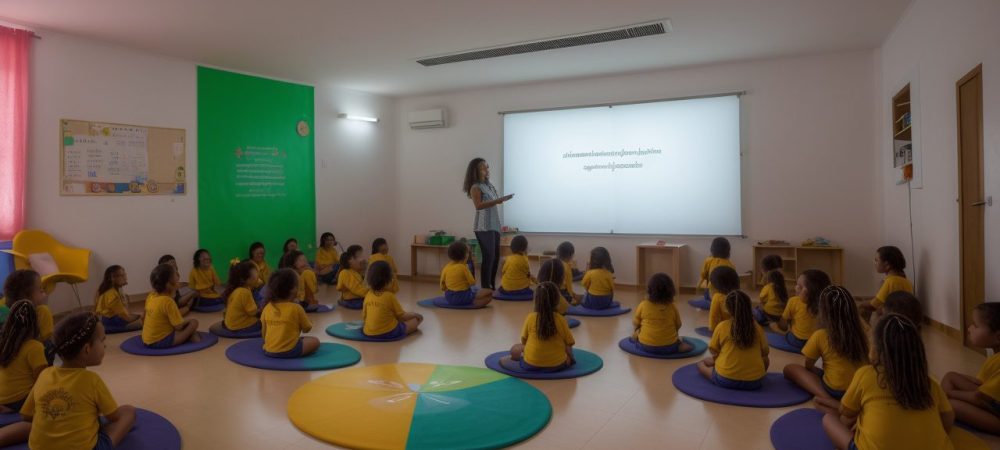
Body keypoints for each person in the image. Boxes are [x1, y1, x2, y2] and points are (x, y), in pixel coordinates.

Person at [822, 314, 954, 450]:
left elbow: (846, 411)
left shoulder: (866, 375)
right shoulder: (930, 383)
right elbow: (948, 418)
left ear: (875, 349)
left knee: (829, 419)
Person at [23, 312, 138, 450]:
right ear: (87, 349)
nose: (105, 346)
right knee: (128, 411)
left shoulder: (44, 374)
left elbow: (26, 416)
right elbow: (113, 416)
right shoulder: (92, 380)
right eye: (102, 341)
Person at [783, 286, 869, 413]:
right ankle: (847, 404)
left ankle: (830, 400)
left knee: (790, 369)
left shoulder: (821, 335)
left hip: (837, 391)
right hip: (861, 388)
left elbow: (808, 366)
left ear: (823, 312)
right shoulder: (862, 332)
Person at [942, 302, 1000, 434]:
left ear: (998, 337)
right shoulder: (996, 357)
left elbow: (979, 398)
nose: (969, 328)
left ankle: (944, 410)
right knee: (950, 376)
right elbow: (981, 384)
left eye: (976, 325)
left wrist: (949, 393)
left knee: (950, 405)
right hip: (990, 401)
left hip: (997, 416)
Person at [698, 291, 769, 390]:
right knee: (765, 359)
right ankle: (755, 374)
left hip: (725, 380)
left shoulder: (722, 326)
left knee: (701, 364)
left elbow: (713, 350)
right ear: (749, 307)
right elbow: (765, 352)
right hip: (754, 382)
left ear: (728, 310)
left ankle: (716, 368)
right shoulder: (758, 328)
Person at [463, 157, 513, 289]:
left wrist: (500, 199)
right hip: (483, 226)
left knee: (495, 257)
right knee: (489, 257)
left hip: (494, 225)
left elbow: (493, 201)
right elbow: (478, 206)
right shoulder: (475, 187)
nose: (487, 170)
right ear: (476, 171)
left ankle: (492, 286)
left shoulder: (488, 185)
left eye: (487, 167)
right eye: (483, 168)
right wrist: (498, 200)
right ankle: (486, 287)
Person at [505, 282, 576, 371]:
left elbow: (524, 341)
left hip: (530, 365)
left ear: (536, 301)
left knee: (515, 349)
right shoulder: (561, 319)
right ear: (557, 300)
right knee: (566, 350)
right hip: (557, 365)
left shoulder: (531, 317)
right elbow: (569, 343)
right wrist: (570, 357)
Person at [260, 269, 319, 358]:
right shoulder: (296, 308)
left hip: (269, 350)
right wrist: (310, 322)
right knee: (315, 341)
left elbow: (264, 332)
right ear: (293, 289)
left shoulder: (267, 307)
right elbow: (307, 329)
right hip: (289, 350)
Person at [630, 273, 693, 354]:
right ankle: (678, 346)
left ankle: (637, 339)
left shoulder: (643, 305)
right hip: (669, 347)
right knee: (686, 347)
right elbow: (678, 325)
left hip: (645, 346)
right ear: (671, 291)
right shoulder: (672, 307)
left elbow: (635, 323)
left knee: (637, 332)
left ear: (649, 290)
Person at [142, 264, 201, 349]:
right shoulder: (168, 301)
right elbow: (179, 326)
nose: (178, 282)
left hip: (146, 339)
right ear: (169, 285)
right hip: (160, 341)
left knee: (183, 327)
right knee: (194, 322)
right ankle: (195, 341)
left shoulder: (151, 295)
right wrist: (188, 321)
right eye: (176, 279)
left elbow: (144, 318)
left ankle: (189, 336)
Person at [362, 261, 422, 338]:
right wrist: (414, 314)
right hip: (389, 332)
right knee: (415, 320)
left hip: (368, 332)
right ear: (388, 280)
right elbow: (402, 316)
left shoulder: (368, 294)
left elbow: (364, 316)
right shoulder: (389, 296)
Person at [440, 242, 493, 308]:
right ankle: (473, 303)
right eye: (467, 252)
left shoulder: (446, 267)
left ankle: (470, 300)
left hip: (449, 296)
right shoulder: (463, 268)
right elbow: (472, 283)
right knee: (489, 294)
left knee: (477, 291)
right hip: (463, 295)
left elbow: (442, 285)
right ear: (465, 255)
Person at [93, 266, 143, 332]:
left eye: (125, 274)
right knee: (143, 322)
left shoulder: (105, 289)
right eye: (122, 275)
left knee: (139, 315)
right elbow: (126, 317)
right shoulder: (112, 295)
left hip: (106, 319)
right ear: (112, 278)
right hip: (113, 322)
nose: (125, 277)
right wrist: (140, 316)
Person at [221, 261, 261, 333]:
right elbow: (252, 312)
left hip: (230, 324)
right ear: (244, 279)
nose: (257, 279)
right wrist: (260, 310)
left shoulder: (236, 288)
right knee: (263, 322)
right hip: (239, 326)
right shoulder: (244, 292)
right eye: (254, 277)